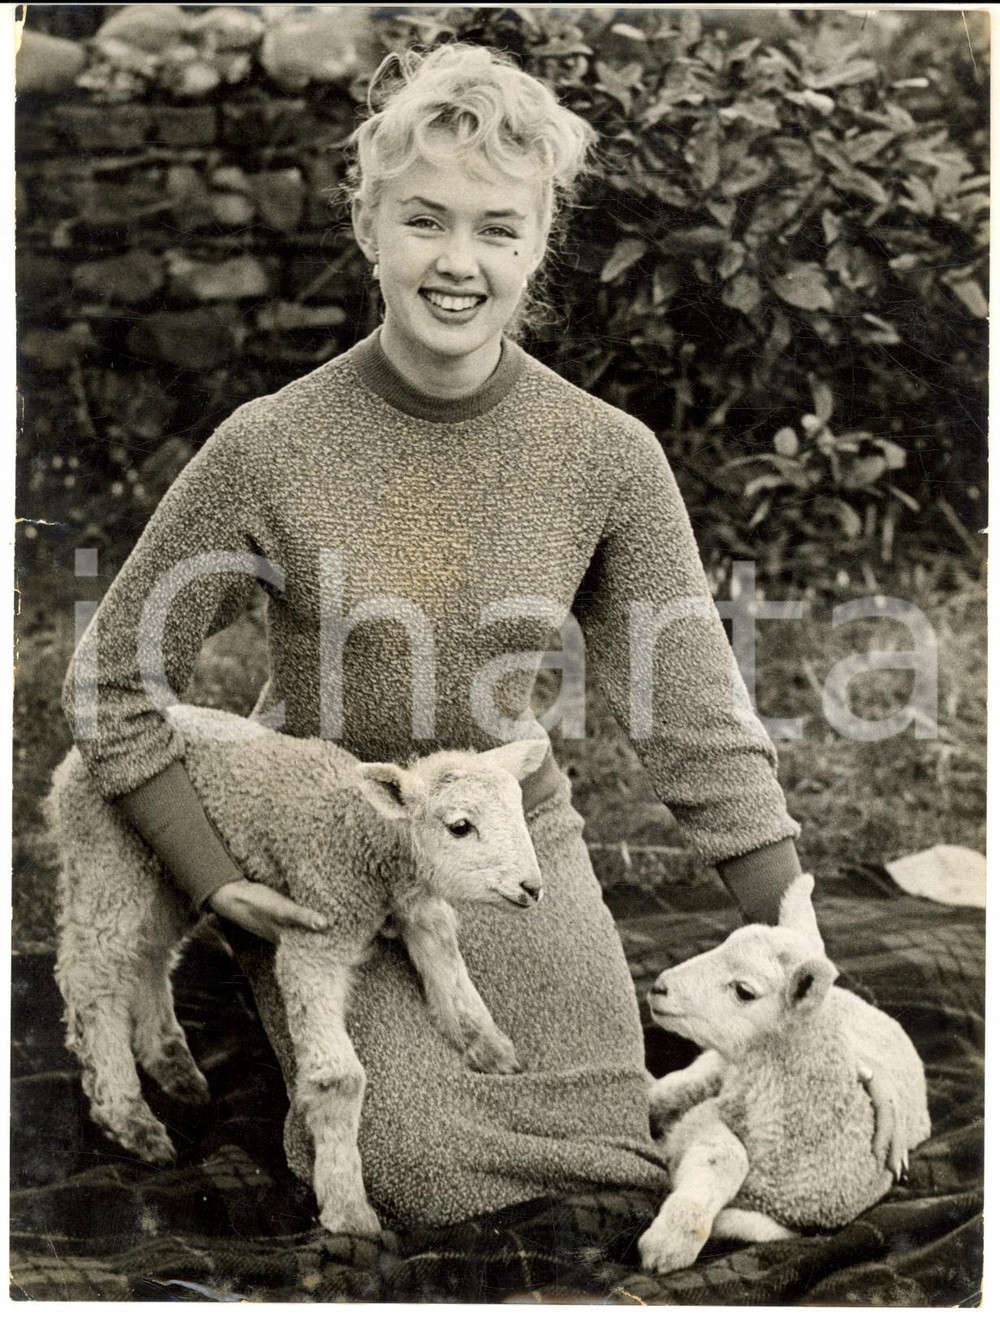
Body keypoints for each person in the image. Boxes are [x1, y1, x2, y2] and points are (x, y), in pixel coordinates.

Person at [63, 43, 897, 1229]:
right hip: (325, 850)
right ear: (367, 227)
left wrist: (801, 945)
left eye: (498, 229)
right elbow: (110, 681)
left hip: (513, 842)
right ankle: (279, 1016)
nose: (459, 263)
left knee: (606, 1134)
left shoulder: (606, 455)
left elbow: (691, 709)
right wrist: (217, 877)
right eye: (425, 220)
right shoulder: (266, 446)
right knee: (418, 1170)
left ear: (538, 244)